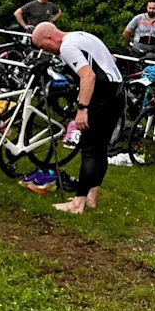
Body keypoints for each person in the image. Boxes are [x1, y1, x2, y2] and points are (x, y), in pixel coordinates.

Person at [31, 22, 125, 214]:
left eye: (43, 47)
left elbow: (88, 76)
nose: (46, 51)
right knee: (100, 149)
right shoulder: (82, 36)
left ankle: (77, 204)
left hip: (102, 98)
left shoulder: (67, 46)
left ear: (49, 38)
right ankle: (91, 197)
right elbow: (111, 59)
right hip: (118, 92)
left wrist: (83, 109)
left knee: (89, 150)